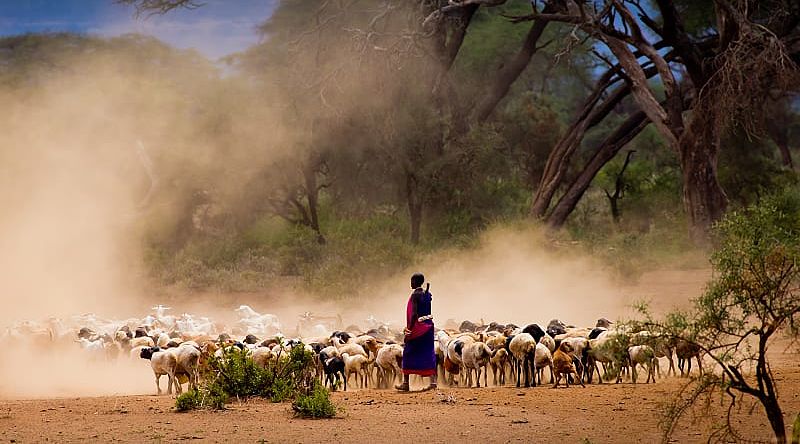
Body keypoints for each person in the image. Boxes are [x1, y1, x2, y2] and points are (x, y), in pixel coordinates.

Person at [396, 272, 437, 391]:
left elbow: (414, 314)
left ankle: (406, 383)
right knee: (428, 352)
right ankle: (433, 382)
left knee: (408, 352)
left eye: (412, 281)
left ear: (415, 281)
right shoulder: (427, 294)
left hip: (418, 326)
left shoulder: (415, 295)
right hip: (428, 326)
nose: (410, 283)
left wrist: (409, 329)